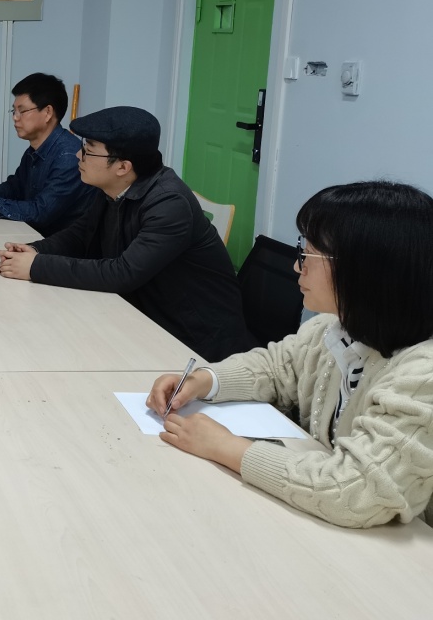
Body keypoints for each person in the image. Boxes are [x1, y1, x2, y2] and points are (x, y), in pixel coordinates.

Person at [148, 180, 433, 528]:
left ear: (365, 271)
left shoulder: (423, 375)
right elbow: (275, 367)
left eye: (308, 255)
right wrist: (204, 381)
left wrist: (225, 447)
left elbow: (356, 491)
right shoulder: (332, 327)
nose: (298, 267)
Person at [0, 105, 253, 361]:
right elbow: (81, 234)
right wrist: (36, 250)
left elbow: (123, 273)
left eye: (88, 150)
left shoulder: (169, 204)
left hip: (194, 344)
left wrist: (36, 267)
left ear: (122, 167)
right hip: (143, 318)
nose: (78, 155)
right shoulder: (113, 187)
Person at [0, 72, 95, 236]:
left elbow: (40, 212)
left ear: (47, 112)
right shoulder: (34, 149)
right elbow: (16, 187)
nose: (15, 118)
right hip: (32, 235)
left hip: (58, 245)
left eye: (22, 111)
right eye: (13, 111)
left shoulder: (69, 156)